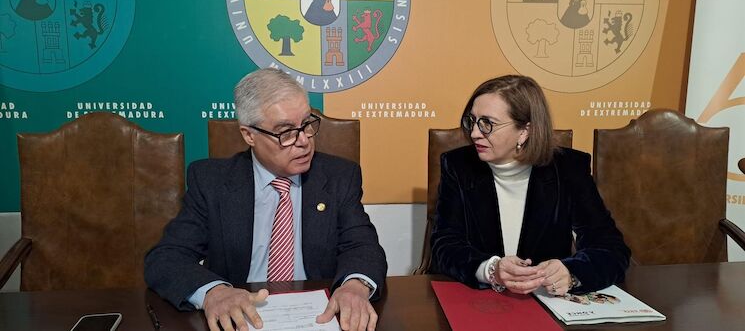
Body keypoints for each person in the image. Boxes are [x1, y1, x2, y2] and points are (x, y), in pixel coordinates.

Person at [145, 68, 387, 331]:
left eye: (307, 124)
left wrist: (355, 286)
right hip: (241, 320)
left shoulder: (339, 177)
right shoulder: (212, 182)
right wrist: (214, 292)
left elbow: (363, 246)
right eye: (286, 132)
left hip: (318, 318)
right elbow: (167, 257)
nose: (304, 141)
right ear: (249, 135)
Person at [430, 75, 630, 297]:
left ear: (525, 131)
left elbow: (612, 250)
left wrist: (571, 272)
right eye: (472, 121)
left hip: (544, 301)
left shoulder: (568, 169)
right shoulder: (458, 166)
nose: (475, 133)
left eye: (487, 124)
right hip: (480, 302)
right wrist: (491, 270)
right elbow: (444, 247)